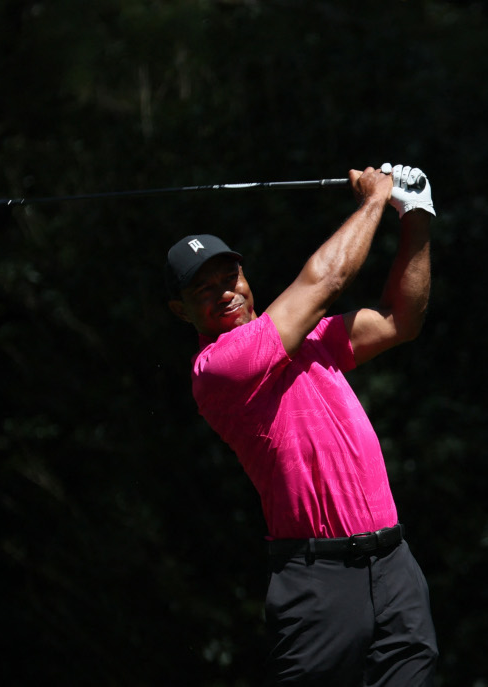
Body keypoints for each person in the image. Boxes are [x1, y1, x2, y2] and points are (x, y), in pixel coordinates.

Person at [165, 163, 438, 686]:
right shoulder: (220, 368)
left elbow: (402, 319)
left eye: (231, 277)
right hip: (319, 579)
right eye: (204, 289)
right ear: (181, 311)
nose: (226, 292)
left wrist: (417, 216)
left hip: (394, 563)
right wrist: (376, 199)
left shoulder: (309, 341)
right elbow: (327, 280)